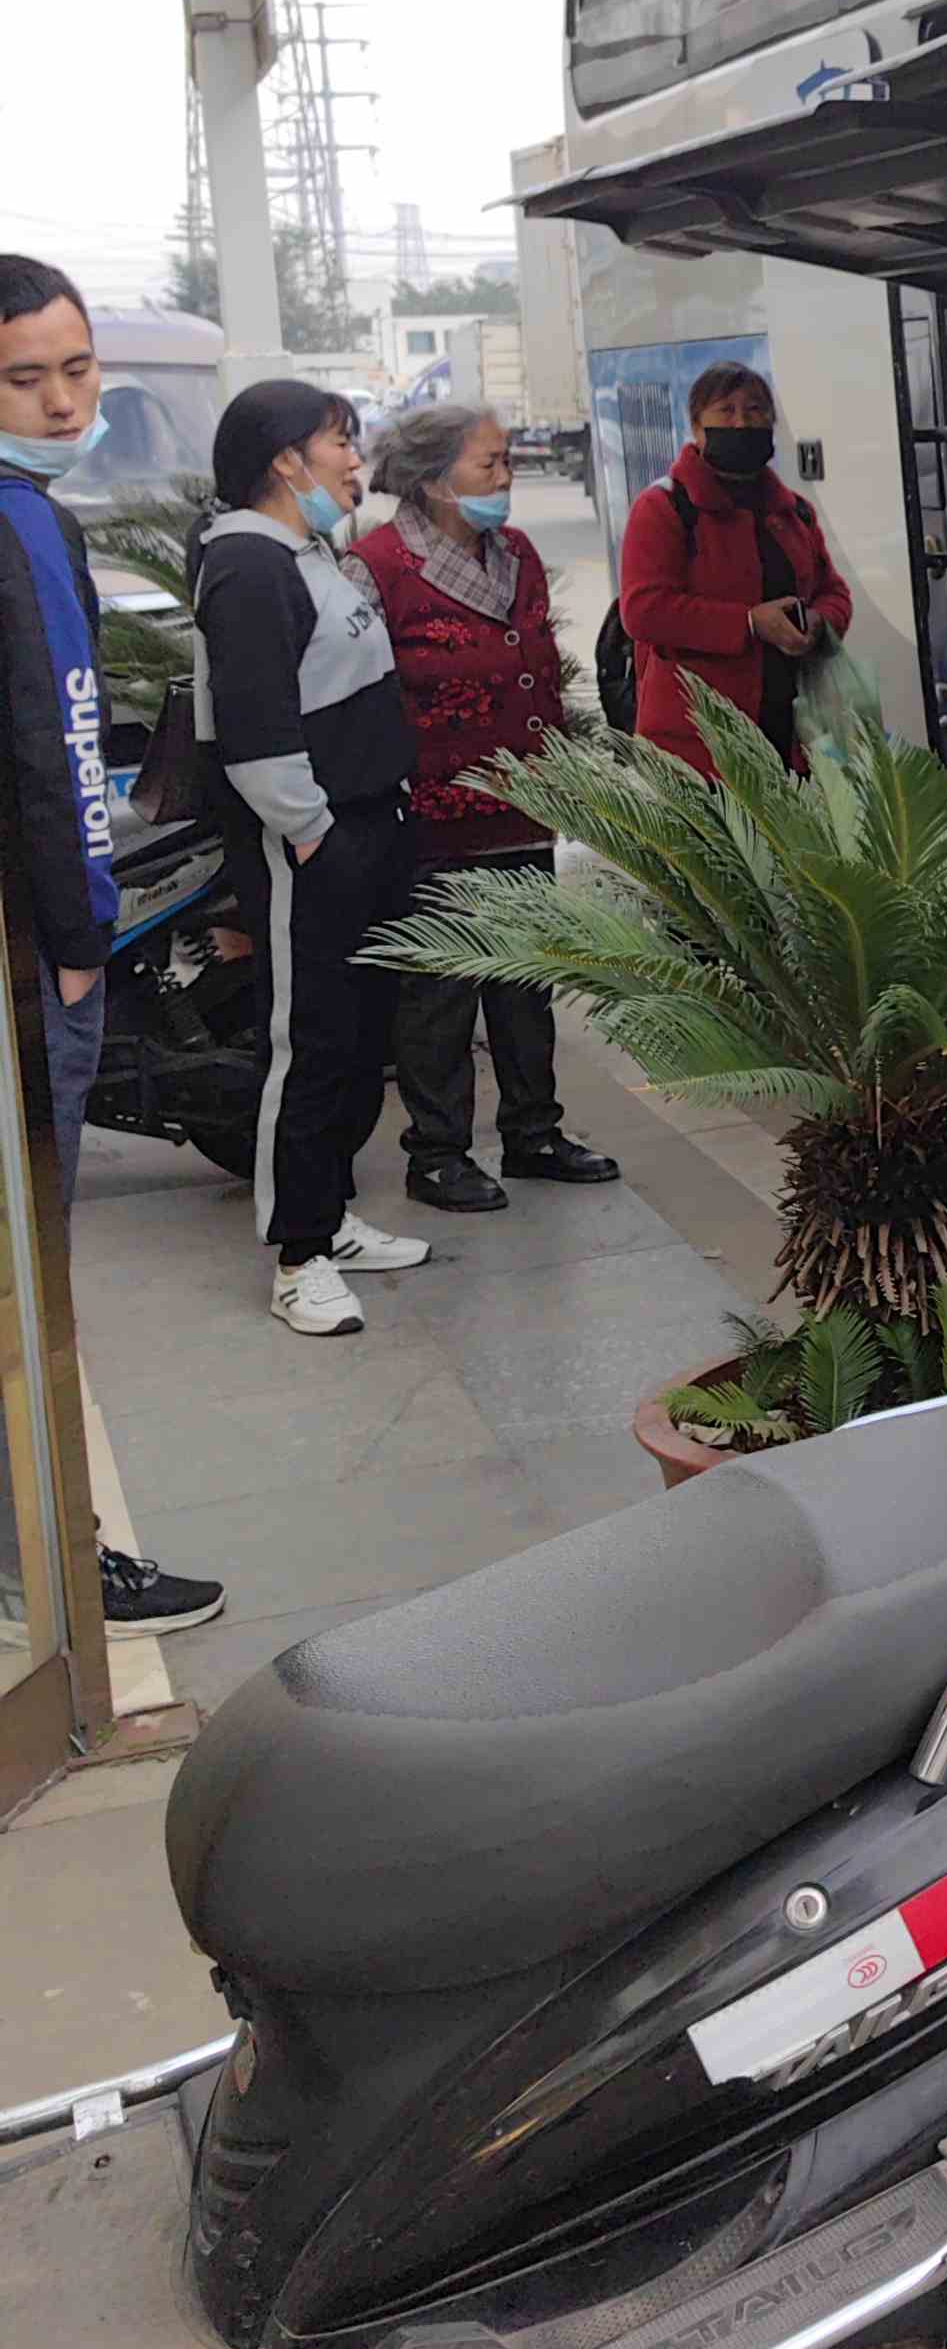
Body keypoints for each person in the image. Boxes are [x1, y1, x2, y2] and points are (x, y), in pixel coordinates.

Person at [0, 256, 222, 1628]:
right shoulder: (20, 526)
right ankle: (52, 1566)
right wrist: (77, 941)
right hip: (38, 961)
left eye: (79, 369)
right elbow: (49, 740)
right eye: (28, 377)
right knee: (32, 1279)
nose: (64, 399)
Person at [192, 381, 430, 1340]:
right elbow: (255, 735)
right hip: (314, 841)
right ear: (286, 459)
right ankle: (298, 1257)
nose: (354, 458)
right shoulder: (249, 564)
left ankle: (329, 1216)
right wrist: (314, 832)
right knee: (315, 1044)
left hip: (366, 825)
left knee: (363, 1032)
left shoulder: (305, 550)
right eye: (340, 441)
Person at [356, 399, 618, 1216]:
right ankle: (437, 1154)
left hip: (521, 803)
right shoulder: (379, 564)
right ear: (434, 480)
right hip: (436, 816)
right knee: (440, 994)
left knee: (526, 984)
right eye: (489, 465)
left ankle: (534, 1133)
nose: (506, 478)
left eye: (507, 462)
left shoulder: (518, 554)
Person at [615, 364, 850, 778]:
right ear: (696, 427)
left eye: (756, 410)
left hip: (793, 739)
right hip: (700, 750)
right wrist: (748, 623)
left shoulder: (794, 511)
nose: (742, 421)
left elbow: (833, 591)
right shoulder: (663, 507)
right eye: (726, 410)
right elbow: (643, 610)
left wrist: (818, 621)